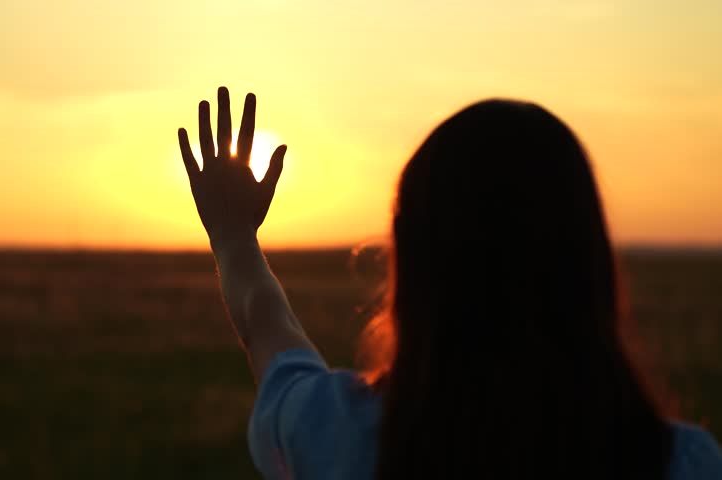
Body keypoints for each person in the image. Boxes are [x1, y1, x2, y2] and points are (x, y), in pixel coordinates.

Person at [177, 87, 722, 479]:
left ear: (414, 266)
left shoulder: (337, 433)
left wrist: (233, 238)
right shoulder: (684, 463)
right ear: (591, 263)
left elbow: (267, 327)